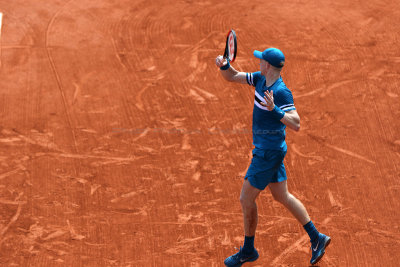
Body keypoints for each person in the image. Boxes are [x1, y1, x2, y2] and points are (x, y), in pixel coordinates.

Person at [215, 48, 331, 266]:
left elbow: (296, 123)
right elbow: (232, 76)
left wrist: (275, 110)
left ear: (267, 65)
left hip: (267, 153)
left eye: (261, 61)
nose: (258, 63)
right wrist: (224, 65)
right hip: (271, 150)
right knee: (282, 196)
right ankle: (317, 238)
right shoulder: (260, 79)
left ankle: (248, 250)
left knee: (246, 199)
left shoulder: (281, 92)